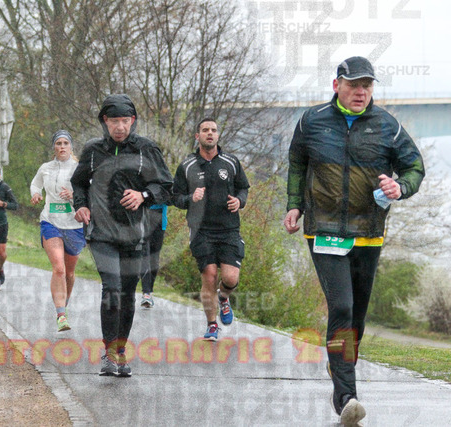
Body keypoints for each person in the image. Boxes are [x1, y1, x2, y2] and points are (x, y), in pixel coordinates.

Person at [283, 56, 425, 427]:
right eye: (354, 85)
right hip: (324, 230)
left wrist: (400, 187)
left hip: (368, 232)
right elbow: (297, 162)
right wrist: (294, 204)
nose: (361, 92)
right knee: (342, 307)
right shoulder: (312, 121)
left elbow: (414, 167)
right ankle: (346, 396)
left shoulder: (388, 126)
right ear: (337, 86)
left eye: (367, 85)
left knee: (356, 318)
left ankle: (340, 364)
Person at [71, 94, 173, 377]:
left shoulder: (146, 149)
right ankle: (108, 353)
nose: (120, 126)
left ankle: (119, 350)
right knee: (112, 288)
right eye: (114, 121)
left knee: (127, 294)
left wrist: (143, 195)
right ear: (105, 121)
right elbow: (78, 183)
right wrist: (80, 205)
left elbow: (167, 187)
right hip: (101, 233)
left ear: (133, 121)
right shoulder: (93, 150)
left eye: (125, 121)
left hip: (135, 234)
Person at [173, 118, 250, 342]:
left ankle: (223, 297)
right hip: (201, 231)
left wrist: (239, 201)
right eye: (205, 130)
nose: (210, 133)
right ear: (197, 136)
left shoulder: (231, 162)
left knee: (230, 278)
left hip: (229, 229)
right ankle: (212, 324)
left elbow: (243, 188)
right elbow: (175, 197)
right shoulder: (187, 165)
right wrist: (191, 198)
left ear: (218, 135)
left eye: (213, 130)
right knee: (209, 275)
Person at [30, 130, 86, 332]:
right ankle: (61, 314)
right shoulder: (46, 167)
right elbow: (35, 183)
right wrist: (36, 193)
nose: (62, 147)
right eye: (58, 143)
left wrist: (73, 195)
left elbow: (89, 192)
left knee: (69, 273)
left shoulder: (80, 169)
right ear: (54, 147)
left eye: (65, 143)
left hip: (74, 225)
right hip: (50, 221)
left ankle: (64, 303)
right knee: (59, 269)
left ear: (71, 146)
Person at [139, 203, 168, 308]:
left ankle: (149, 290)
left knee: (154, 259)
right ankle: (146, 293)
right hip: (143, 213)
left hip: (159, 218)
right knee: (145, 255)